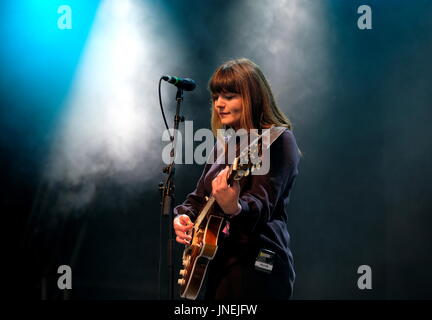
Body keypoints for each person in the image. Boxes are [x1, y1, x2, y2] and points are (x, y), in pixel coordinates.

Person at [173, 58, 300, 300]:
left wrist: (235, 207)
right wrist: (183, 217)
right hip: (221, 263)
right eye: (216, 97)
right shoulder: (224, 146)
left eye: (229, 96)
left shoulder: (278, 140)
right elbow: (199, 198)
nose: (219, 104)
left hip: (258, 264)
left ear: (252, 97)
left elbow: (263, 206)